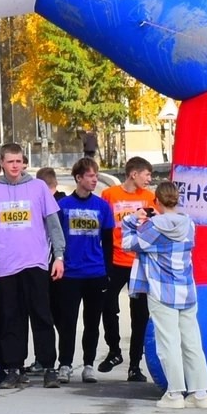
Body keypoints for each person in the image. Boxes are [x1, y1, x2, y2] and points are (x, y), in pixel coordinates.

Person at [0, 143, 64, 387]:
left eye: (19, 161)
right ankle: (13, 368)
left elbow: (53, 225)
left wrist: (59, 256)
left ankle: (49, 367)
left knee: (42, 316)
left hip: (35, 263)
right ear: (2, 165)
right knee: (10, 319)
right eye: (10, 161)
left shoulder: (38, 188)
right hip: (6, 267)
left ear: (23, 163)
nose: (15, 166)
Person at [128, 179, 204, 408]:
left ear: (157, 201)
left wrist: (133, 220)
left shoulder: (153, 226)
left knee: (168, 343)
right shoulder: (189, 224)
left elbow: (129, 243)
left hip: (162, 290)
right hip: (187, 290)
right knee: (192, 342)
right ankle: (200, 394)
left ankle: (175, 394)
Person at [53, 159, 116, 381]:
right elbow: (55, 238)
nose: (94, 180)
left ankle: (88, 364)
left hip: (95, 273)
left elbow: (108, 241)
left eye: (96, 176)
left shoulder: (102, 206)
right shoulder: (63, 206)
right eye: (90, 176)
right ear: (78, 178)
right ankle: (65, 364)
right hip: (70, 273)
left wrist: (109, 271)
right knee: (67, 321)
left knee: (92, 322)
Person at [101, 158, 157, 378]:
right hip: (115, 261)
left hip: (139, 263)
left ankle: (135, 365)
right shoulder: (110, 195)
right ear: (134, 174)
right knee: (108, 306)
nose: (149, 179)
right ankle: (114, 350)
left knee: (140, 315)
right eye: (146, 175)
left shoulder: (149, 198)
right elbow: (104, 227)